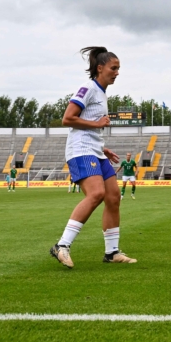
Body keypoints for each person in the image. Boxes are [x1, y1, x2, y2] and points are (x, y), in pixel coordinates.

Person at [49, 47, 136, 268]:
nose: (117, 72)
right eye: (113, 68)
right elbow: (68, 118)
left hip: (95, 151)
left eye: (118, 69)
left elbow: (88, 127)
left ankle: (112, 252)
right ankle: (62, 245)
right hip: (81, 150)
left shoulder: (102, 93)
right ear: (100, 68)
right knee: (97, 193)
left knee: (114, 197)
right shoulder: (88, 88)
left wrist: (103, 148)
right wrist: (97, 125)